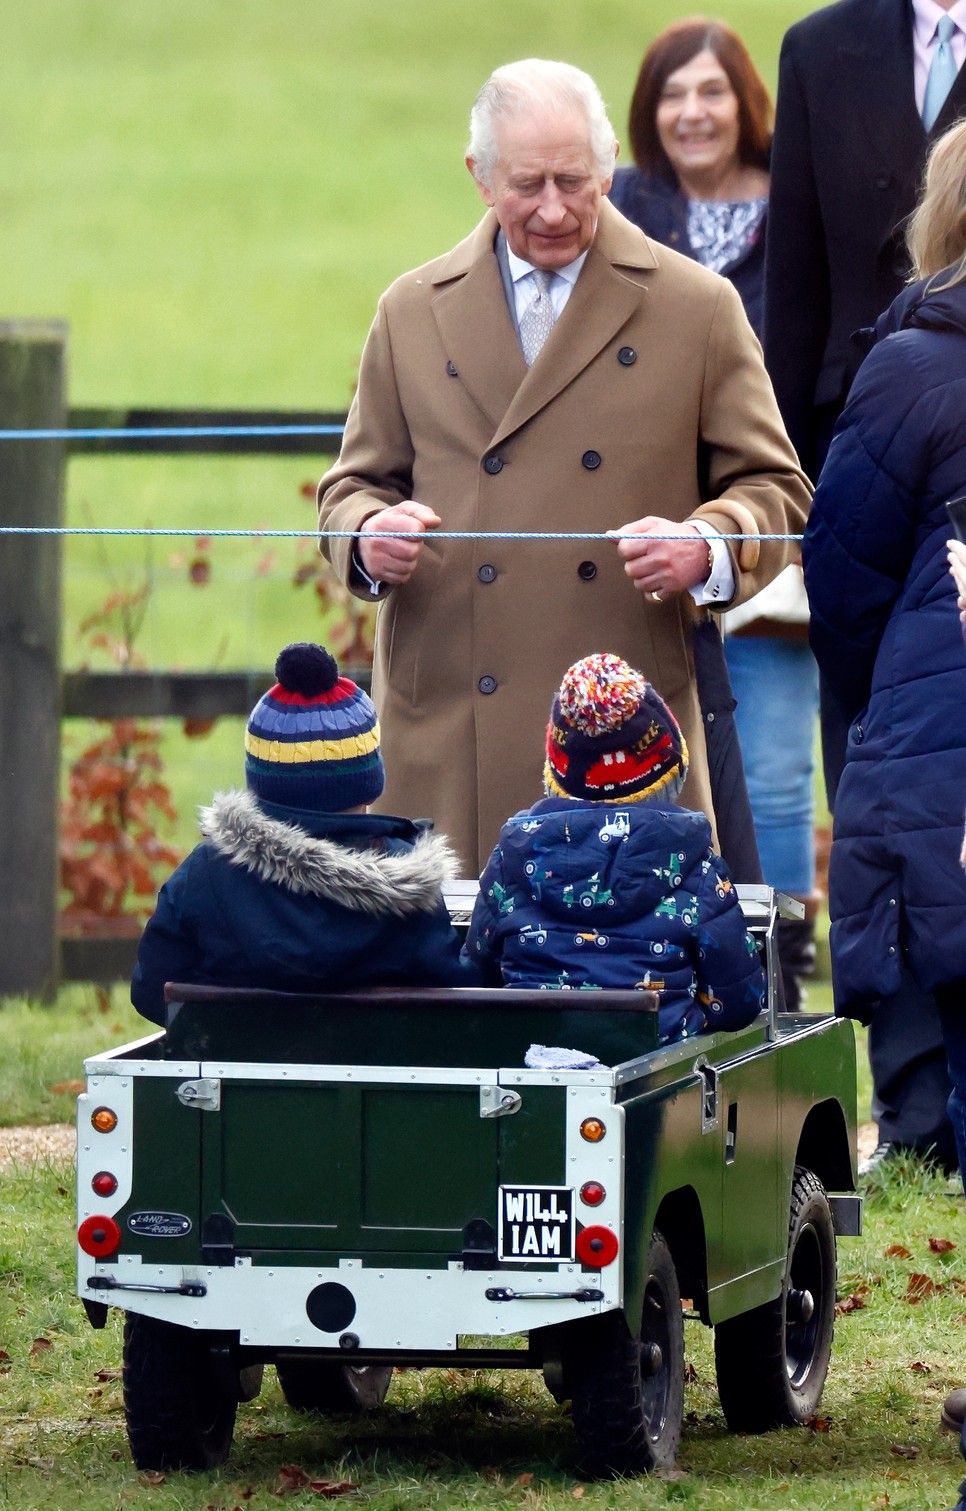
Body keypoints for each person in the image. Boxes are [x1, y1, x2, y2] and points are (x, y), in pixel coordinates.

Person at [318, 58, 811, 882]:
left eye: (574, 181)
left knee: (615, 993)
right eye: (527, 184)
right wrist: (368, 535)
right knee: (450, 998)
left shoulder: (697, 307)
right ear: (478, 177)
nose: (553, 208)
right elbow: (351, 486)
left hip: (621, 728)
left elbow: (778, 491)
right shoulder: (410, 310)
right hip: (446, 726)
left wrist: (709, 545)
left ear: (610, 165)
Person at [767, 0, 966, 1168]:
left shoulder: (905, 369)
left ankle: (928, 1125)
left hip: (911, 701)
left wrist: (881, 682)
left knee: (909, 873)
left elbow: (841, 573)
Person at [609, 18, 820, 1007]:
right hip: (643, 540)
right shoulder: (618, 210)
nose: (692, 112)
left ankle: (779, 969)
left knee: (776, 772)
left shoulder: (797, 208)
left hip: (767, 524)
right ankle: (668, 960)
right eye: (671, 95)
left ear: (748, 103)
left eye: (712, 92)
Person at [130, 643, 470, 1025]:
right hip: (381, 1074)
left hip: (240, 1074)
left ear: (260, 778)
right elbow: (451, 996)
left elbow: (150, 989)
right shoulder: (410, 887)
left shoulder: (207, 873)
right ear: (369, 782)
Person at [465, 653, 766, 1044]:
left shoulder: (511, 859)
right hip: (658, 1070)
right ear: (670, 771)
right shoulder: (697, 868)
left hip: (528, 1063)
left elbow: (476, 974)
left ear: (556, 775)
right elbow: (738, 1000)